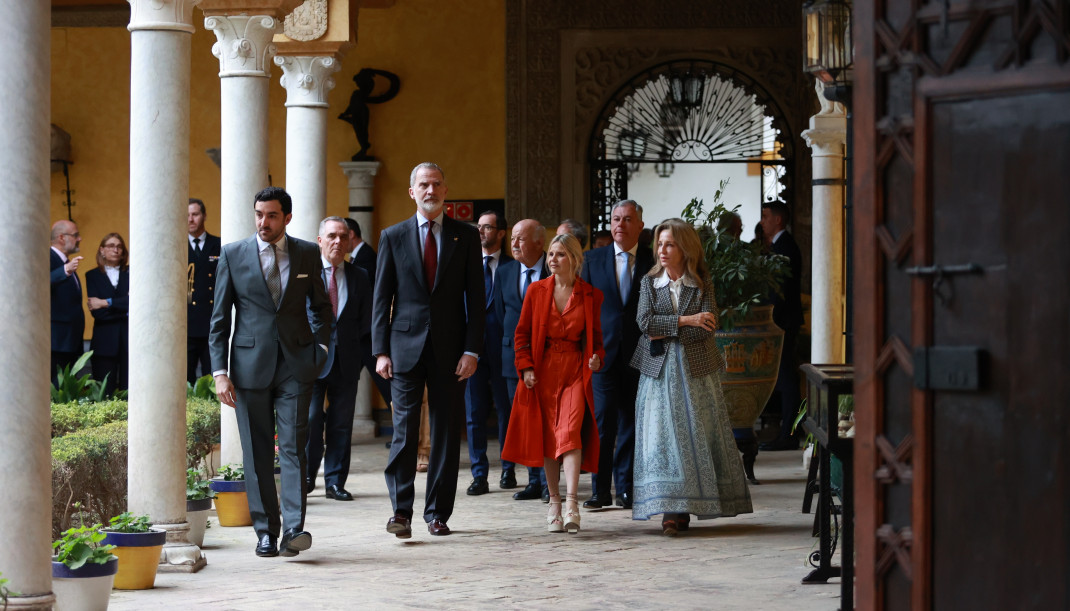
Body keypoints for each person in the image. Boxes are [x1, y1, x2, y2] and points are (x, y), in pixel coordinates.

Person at [209, 186, 333, 558]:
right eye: (259, 214)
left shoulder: (307, 253)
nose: (264, 222)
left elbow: (321, 307)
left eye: (272, 215)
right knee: (257, 452)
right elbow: (219, 320)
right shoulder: (233, 254)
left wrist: (321, 348)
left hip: (296, 365)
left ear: (287, 218)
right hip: (249, 368)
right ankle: (266, 531)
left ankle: (294, 529)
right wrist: (219, 372)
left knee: (293, 448)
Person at [372, 162, 484, 539]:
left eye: (436, 184)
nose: (430, 190)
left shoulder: (465, 236)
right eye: (423, 185)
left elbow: (476, 298)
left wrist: (472, 350)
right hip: (403, 348)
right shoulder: (393, 236)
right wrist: (380, 350)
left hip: (452, 352)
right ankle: (400, 512)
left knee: (446, 433)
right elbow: (381, 297)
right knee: (404, 433)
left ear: (445, 190)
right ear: (412, 192)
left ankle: (437, 513)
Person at [630, 219, 753, 535]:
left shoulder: (702, 282)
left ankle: (684, 507)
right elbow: (645, 324)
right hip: (657, 374)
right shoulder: (649, 282)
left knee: (694, 436)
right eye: (660, 244)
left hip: (696, 372)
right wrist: (687, 320)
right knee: (661, 439)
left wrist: (669, 327)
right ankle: (670, 509)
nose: (662, 250)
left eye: (669, 244)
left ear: (685, 248)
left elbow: (707, 329)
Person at [502, 234, 604, 534]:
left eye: (560, 254)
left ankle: (572, 504)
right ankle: (554, 503)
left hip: (574, 370)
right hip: (543, 370)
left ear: (574, 258)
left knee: (570, 433)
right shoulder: (536, 291)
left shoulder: (591, 295)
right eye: (551, 254)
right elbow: (521, 334)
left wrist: (597, 359)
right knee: (549, 439)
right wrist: (526, 367)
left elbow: (597, 340)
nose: (553, 260)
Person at [580, 200, 653, 509]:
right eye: (616, 219)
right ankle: (599, 491)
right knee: (602, 424)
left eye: (627, 219)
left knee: (632, 425)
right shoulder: (591, 260)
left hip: (641, 354)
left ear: (640, 226)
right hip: (602, 355)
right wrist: (587, 350)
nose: (620, 224)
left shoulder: (653, 260)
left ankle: (626, 489)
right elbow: (582, 309)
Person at [305, 217, 372, 502]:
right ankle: (307, 477)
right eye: (332, 236)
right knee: (310, 420)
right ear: (320, 240)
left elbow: (366, 320)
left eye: (343, 236)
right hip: (310, 362)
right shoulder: (306, 274)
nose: (338, 241)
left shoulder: (360, 276)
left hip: (346, 361)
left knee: (341, 424)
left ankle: (334, 482)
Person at [494, 219, 549, 502]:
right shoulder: (505, 272)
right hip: (513, 357)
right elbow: (501, 315)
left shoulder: (554, 267)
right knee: (525, 421)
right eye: (513, 238)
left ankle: (549, 482)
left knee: (547, 421)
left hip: (549, 358)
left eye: (521, 239)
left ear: (539, 242)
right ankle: (534, 481)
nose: (514, 244)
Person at [464, 210, 514, 495]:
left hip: (504, 350)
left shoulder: (512, 266)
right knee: (474, 412)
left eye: (487, 227)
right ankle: (479, 474)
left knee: (507, 411)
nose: (481, 231)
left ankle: (508, 468)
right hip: (472, 351)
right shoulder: (466, 264)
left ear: (501, 233)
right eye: (479, 227)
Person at [758, 201, 804, 451]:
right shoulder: (778, 245)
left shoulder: (785, 246)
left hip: (783, 322)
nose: (762, 221)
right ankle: (789, 431)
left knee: (786, 378)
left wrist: (768, 318)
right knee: (784, 377)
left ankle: (789, 434)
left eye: (766, 216)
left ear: (777, 220)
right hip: (781, 321)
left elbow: (779, 291)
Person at [342, 217, 393, 415]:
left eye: (342, 236)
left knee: (385, 381)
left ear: (351, 234)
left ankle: (401, 422)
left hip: (369, 334)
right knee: (346, 378)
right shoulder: (360, 256)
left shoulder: (366, 258)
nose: (339, 242)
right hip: (363, 335)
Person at [85, 233, 129, 396]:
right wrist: (126, 309)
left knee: (130, 391)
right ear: (102, 250)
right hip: (104, 341)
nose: (115, 250)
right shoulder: (92, 275)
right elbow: (98, 314)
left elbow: (137, 302)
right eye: (111, 246)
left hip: (130, 341)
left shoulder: (133, 273)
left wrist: (105, 302)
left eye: (119, 246)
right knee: (104, 394)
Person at [187, 198, 221, 385]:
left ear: (204, 216)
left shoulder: (218, 244)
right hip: (186, 323)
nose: (190, 219)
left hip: (211, 321)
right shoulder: (177, 246)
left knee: (212, 377)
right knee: (186, 378)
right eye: (187, 215)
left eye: (195, 214)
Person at [50, 220, 85, 385]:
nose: (80, 239)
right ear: (61, 237)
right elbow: (39, 283)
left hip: (70, 340)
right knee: (56, 388)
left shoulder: (65, 262)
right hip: (57, 340)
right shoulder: (47, 257)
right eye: (75, 235)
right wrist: (65, 270)